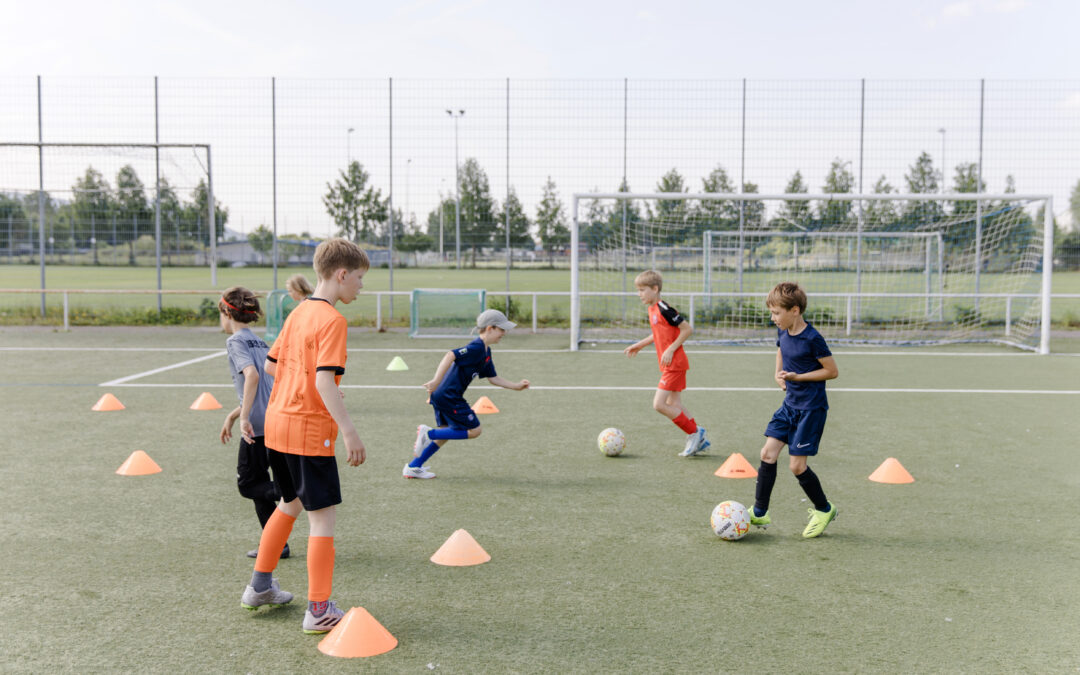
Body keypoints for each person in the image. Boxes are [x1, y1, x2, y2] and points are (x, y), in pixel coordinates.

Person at [239, 238, 369, 635]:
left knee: (288, 503)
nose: (361, 287)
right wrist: (349, 431)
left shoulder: (298, 313)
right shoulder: (332, 320)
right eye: (360, 278)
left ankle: (259, 586)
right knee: (322, 517)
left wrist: (312, 384)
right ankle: (319, 609)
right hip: (309, 429)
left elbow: (275, 366)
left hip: (278, 425)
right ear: (341, 274)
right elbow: (324, 380)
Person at [749, 281, 839, 539]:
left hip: (811, 409)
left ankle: (824, 509)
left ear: (795, 310)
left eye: (777, 313)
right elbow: (781, 351)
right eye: (772, 312)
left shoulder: (812, 338)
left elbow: (832, 371)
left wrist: (798, 378)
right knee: (767, 453)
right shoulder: (783, 331)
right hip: (789, 406)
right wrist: (778, 374)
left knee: (797, 467)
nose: (772, 318)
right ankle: (759, 511)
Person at [404, 309, 530, 479]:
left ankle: (413, 467)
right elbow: (450, 355)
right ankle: (428, 434)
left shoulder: (485, 351)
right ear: (490, 328)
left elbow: (493, 378)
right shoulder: (476, 347)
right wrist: (435, 381)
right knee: (474, 430)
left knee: (446, 433)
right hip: (449, 395)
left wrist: (516, 386)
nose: (504, 333)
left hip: (443, 395)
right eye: (501, 329)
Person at [217, 287, 288, 560]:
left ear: (226, 312)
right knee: (260, 485)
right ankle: (277, 544)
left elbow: (252, 376)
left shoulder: (235, 341)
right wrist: (234, 414)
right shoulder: (260, 342)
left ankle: (290, 492)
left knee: (248, 485)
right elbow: (265, 387)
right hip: (274, 418)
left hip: (257, 425)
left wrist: (245, 417)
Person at [623, 270, 710, 457]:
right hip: (669, 364)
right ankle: (698, 436)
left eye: (642, 290)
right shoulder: (652, 309)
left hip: (675, 364)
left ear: (655, 289)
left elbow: (687, 329)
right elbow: (657, 334)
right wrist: (639, 345)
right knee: (674, 403)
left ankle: (694, 432)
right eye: (638, 290)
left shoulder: (664, 308)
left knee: (659, 404)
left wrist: (670, 349)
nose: (639, 294)